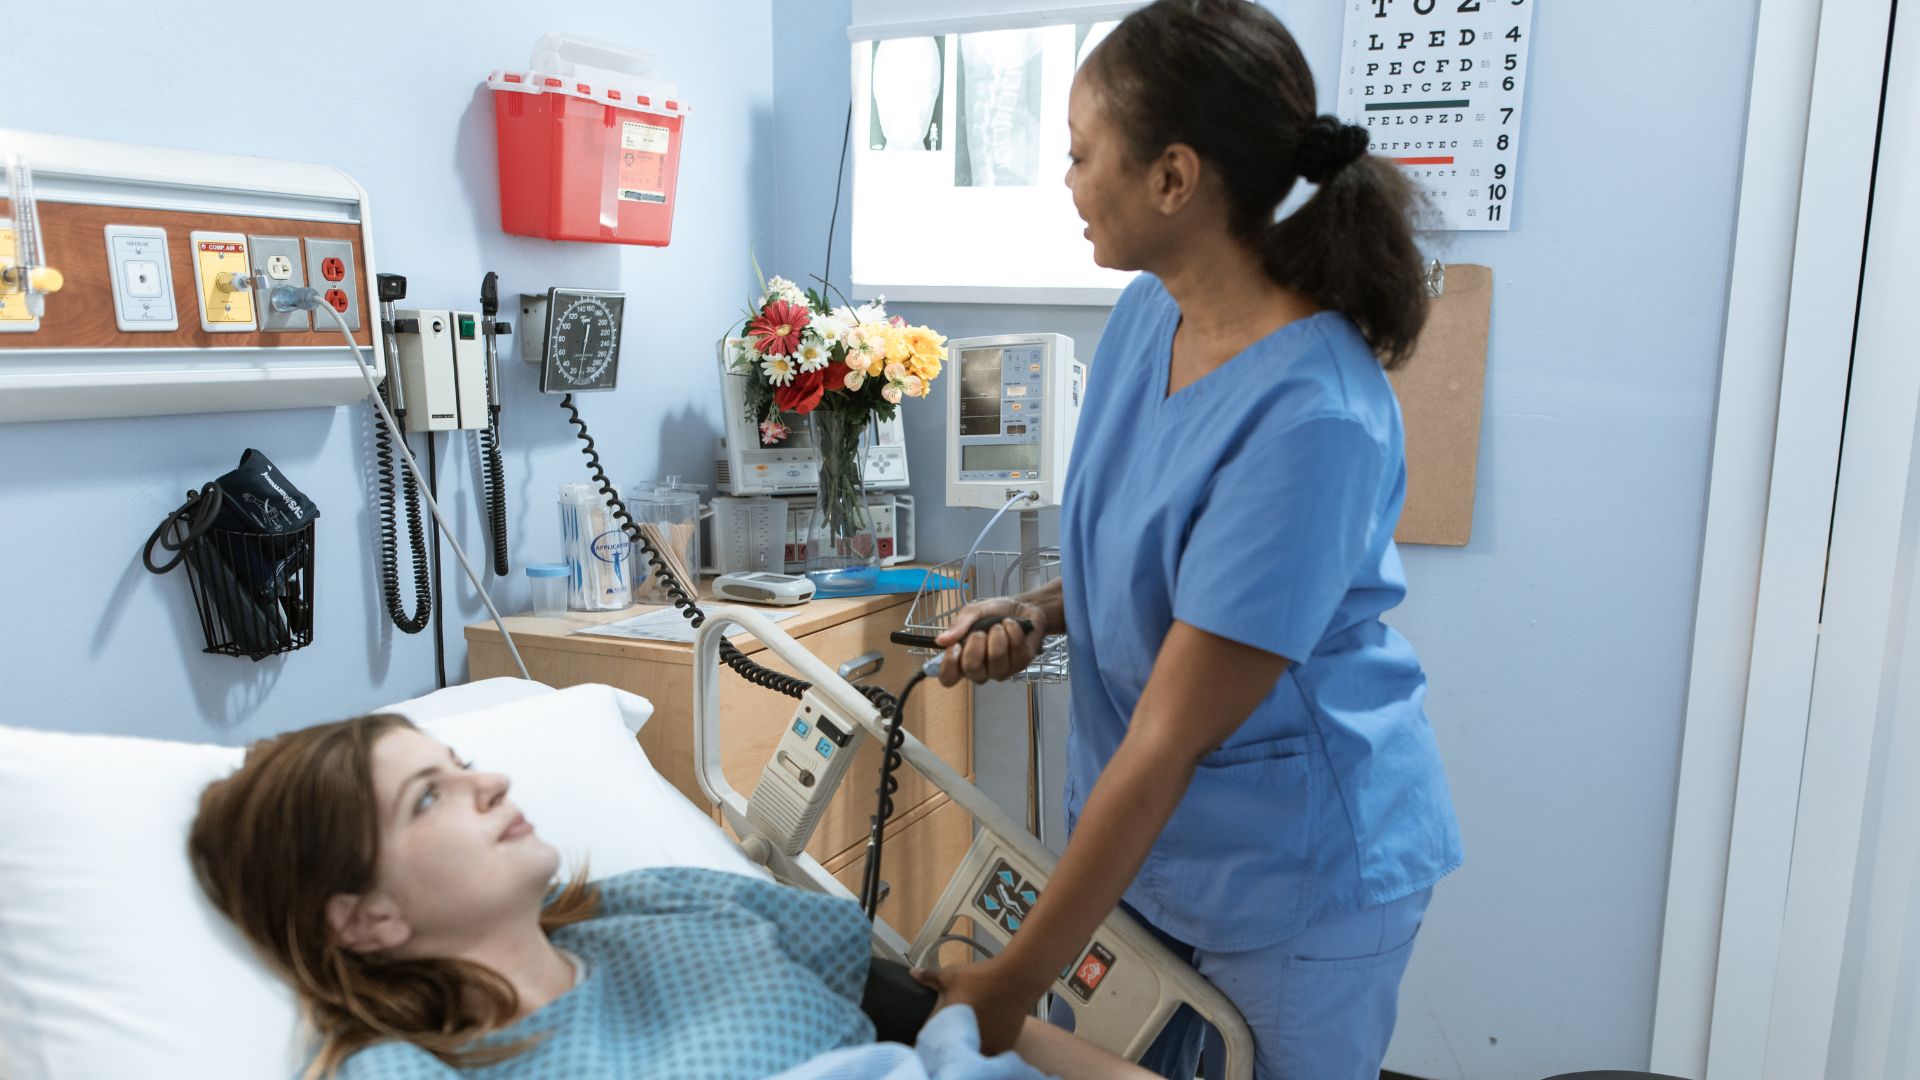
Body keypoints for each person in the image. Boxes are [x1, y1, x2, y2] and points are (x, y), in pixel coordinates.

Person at [918, 3, 1464, 1078]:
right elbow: (1161, 553)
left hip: (1295, 871)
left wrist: (1011, 988)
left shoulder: (1313, 418)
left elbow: (1170, 738)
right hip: (1155, 850)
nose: (1066, 182)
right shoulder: (1144, 318)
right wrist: (1034, 611)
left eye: (1081, 155)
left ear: (1174, 178)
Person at [187, 713, 1152, 1079]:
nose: (490, 785)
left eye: (465, 763)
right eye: (430, 796)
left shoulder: (648, 908)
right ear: (365, 918)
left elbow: (920, 1002)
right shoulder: (414, 1070)